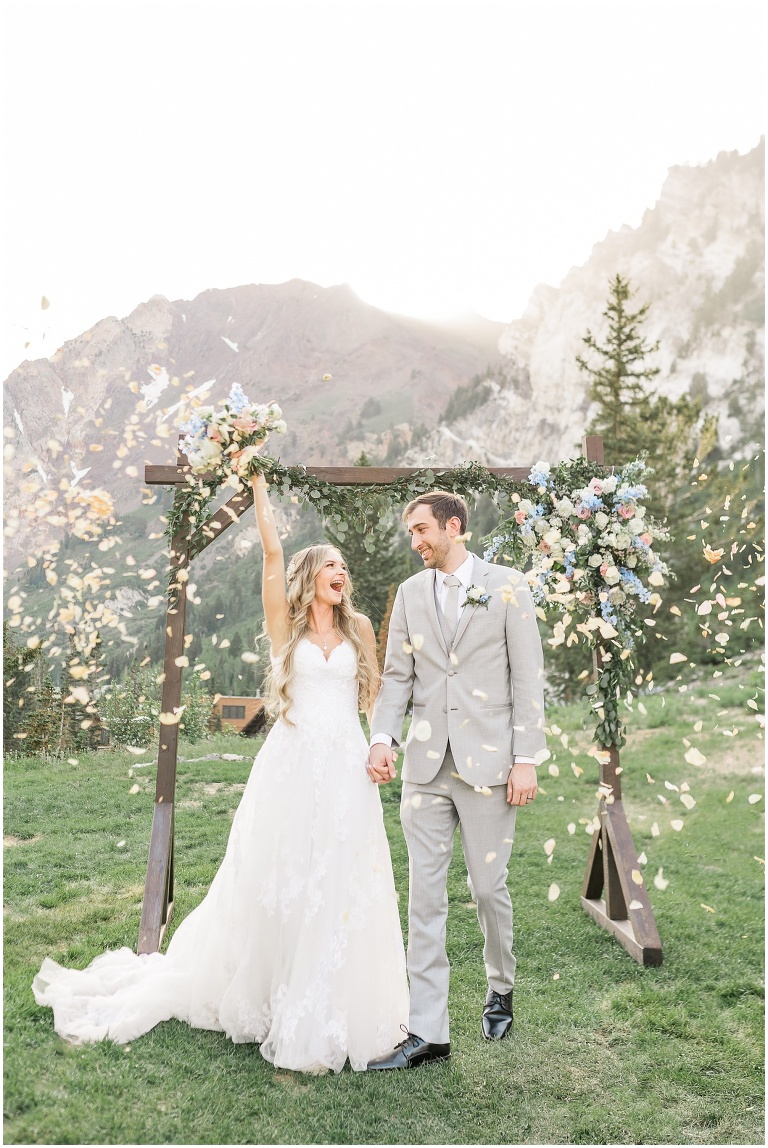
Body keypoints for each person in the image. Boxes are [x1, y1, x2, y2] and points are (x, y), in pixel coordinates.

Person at [33, 473, 408, 1074]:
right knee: (283, 876)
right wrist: (260, 487)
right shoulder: (286, 629)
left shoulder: (359, 630)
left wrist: (383, 744)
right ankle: (273, 989)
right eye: (330, 564)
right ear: (311, 575)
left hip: (345, 767)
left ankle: (343, 999)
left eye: (344, 565)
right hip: (290, 766)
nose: (341, 572)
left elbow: (378, 698)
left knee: (344, 874)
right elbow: (272, 552)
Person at [365, 490, 546, 1070]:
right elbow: (397, 677)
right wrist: (381, 739)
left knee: (489, 889)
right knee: (425, 896)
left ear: (455, 526)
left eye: (422, 530)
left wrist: (526, 759)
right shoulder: (410, 594)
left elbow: (528, 678)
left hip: (491, 766)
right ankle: (428, 1032)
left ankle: (500, 986)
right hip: (424, 766)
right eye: (410, 533)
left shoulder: (507, 584)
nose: (415, 541)